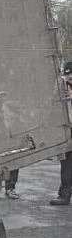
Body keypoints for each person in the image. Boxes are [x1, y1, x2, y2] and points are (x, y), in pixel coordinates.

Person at [50, 61, 72, 206]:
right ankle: (64, 195)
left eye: (70, 74)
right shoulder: (63, 87)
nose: (69, 77)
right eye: (67, 74)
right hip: (68, 129)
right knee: (67, 164)